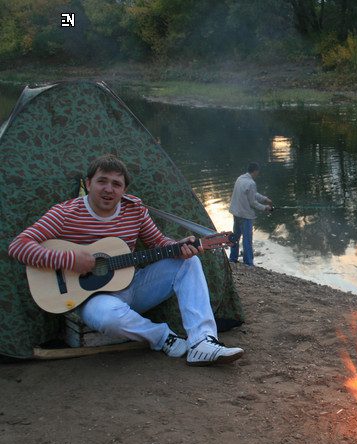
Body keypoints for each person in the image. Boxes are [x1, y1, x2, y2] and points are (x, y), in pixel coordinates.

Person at [8, 154, 243, 367]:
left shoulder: (135, 210)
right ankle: (163, 337)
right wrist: (69, 260)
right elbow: (18, 246)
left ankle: (202, 342)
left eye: (116, 184)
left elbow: (157, 243)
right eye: (102, 181)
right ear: (88, 183)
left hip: (134, 285)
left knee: (189, 263)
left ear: (124, 190)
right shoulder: (64, 213)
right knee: (107, 316)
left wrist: (178, 246)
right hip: (94, 299)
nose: (108, 189)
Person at [228, 162, 272, 266]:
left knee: (236, 236)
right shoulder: (251, 183)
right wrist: (265, 208)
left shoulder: (240, 179)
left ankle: (233, 259)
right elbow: (253, 202)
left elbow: (252, 194)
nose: (258, 174)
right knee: (247, 239)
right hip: (245, 215)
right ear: (255, 171)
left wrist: (265, 199)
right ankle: (248, 263)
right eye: (258, 172)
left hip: (236, 213)